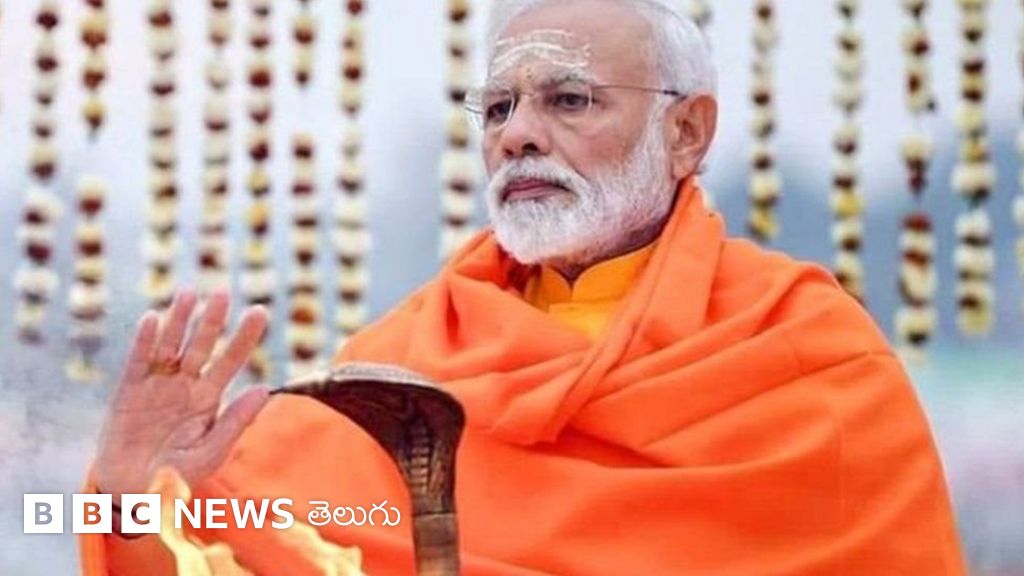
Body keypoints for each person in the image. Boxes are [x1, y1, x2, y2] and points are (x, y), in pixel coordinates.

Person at [80, 0, 967, 574]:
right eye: (499, 108)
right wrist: (131, 497)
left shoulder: (803, 354)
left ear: (687, 133)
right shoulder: (397, 371)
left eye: (569, 101)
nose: (517, 136)